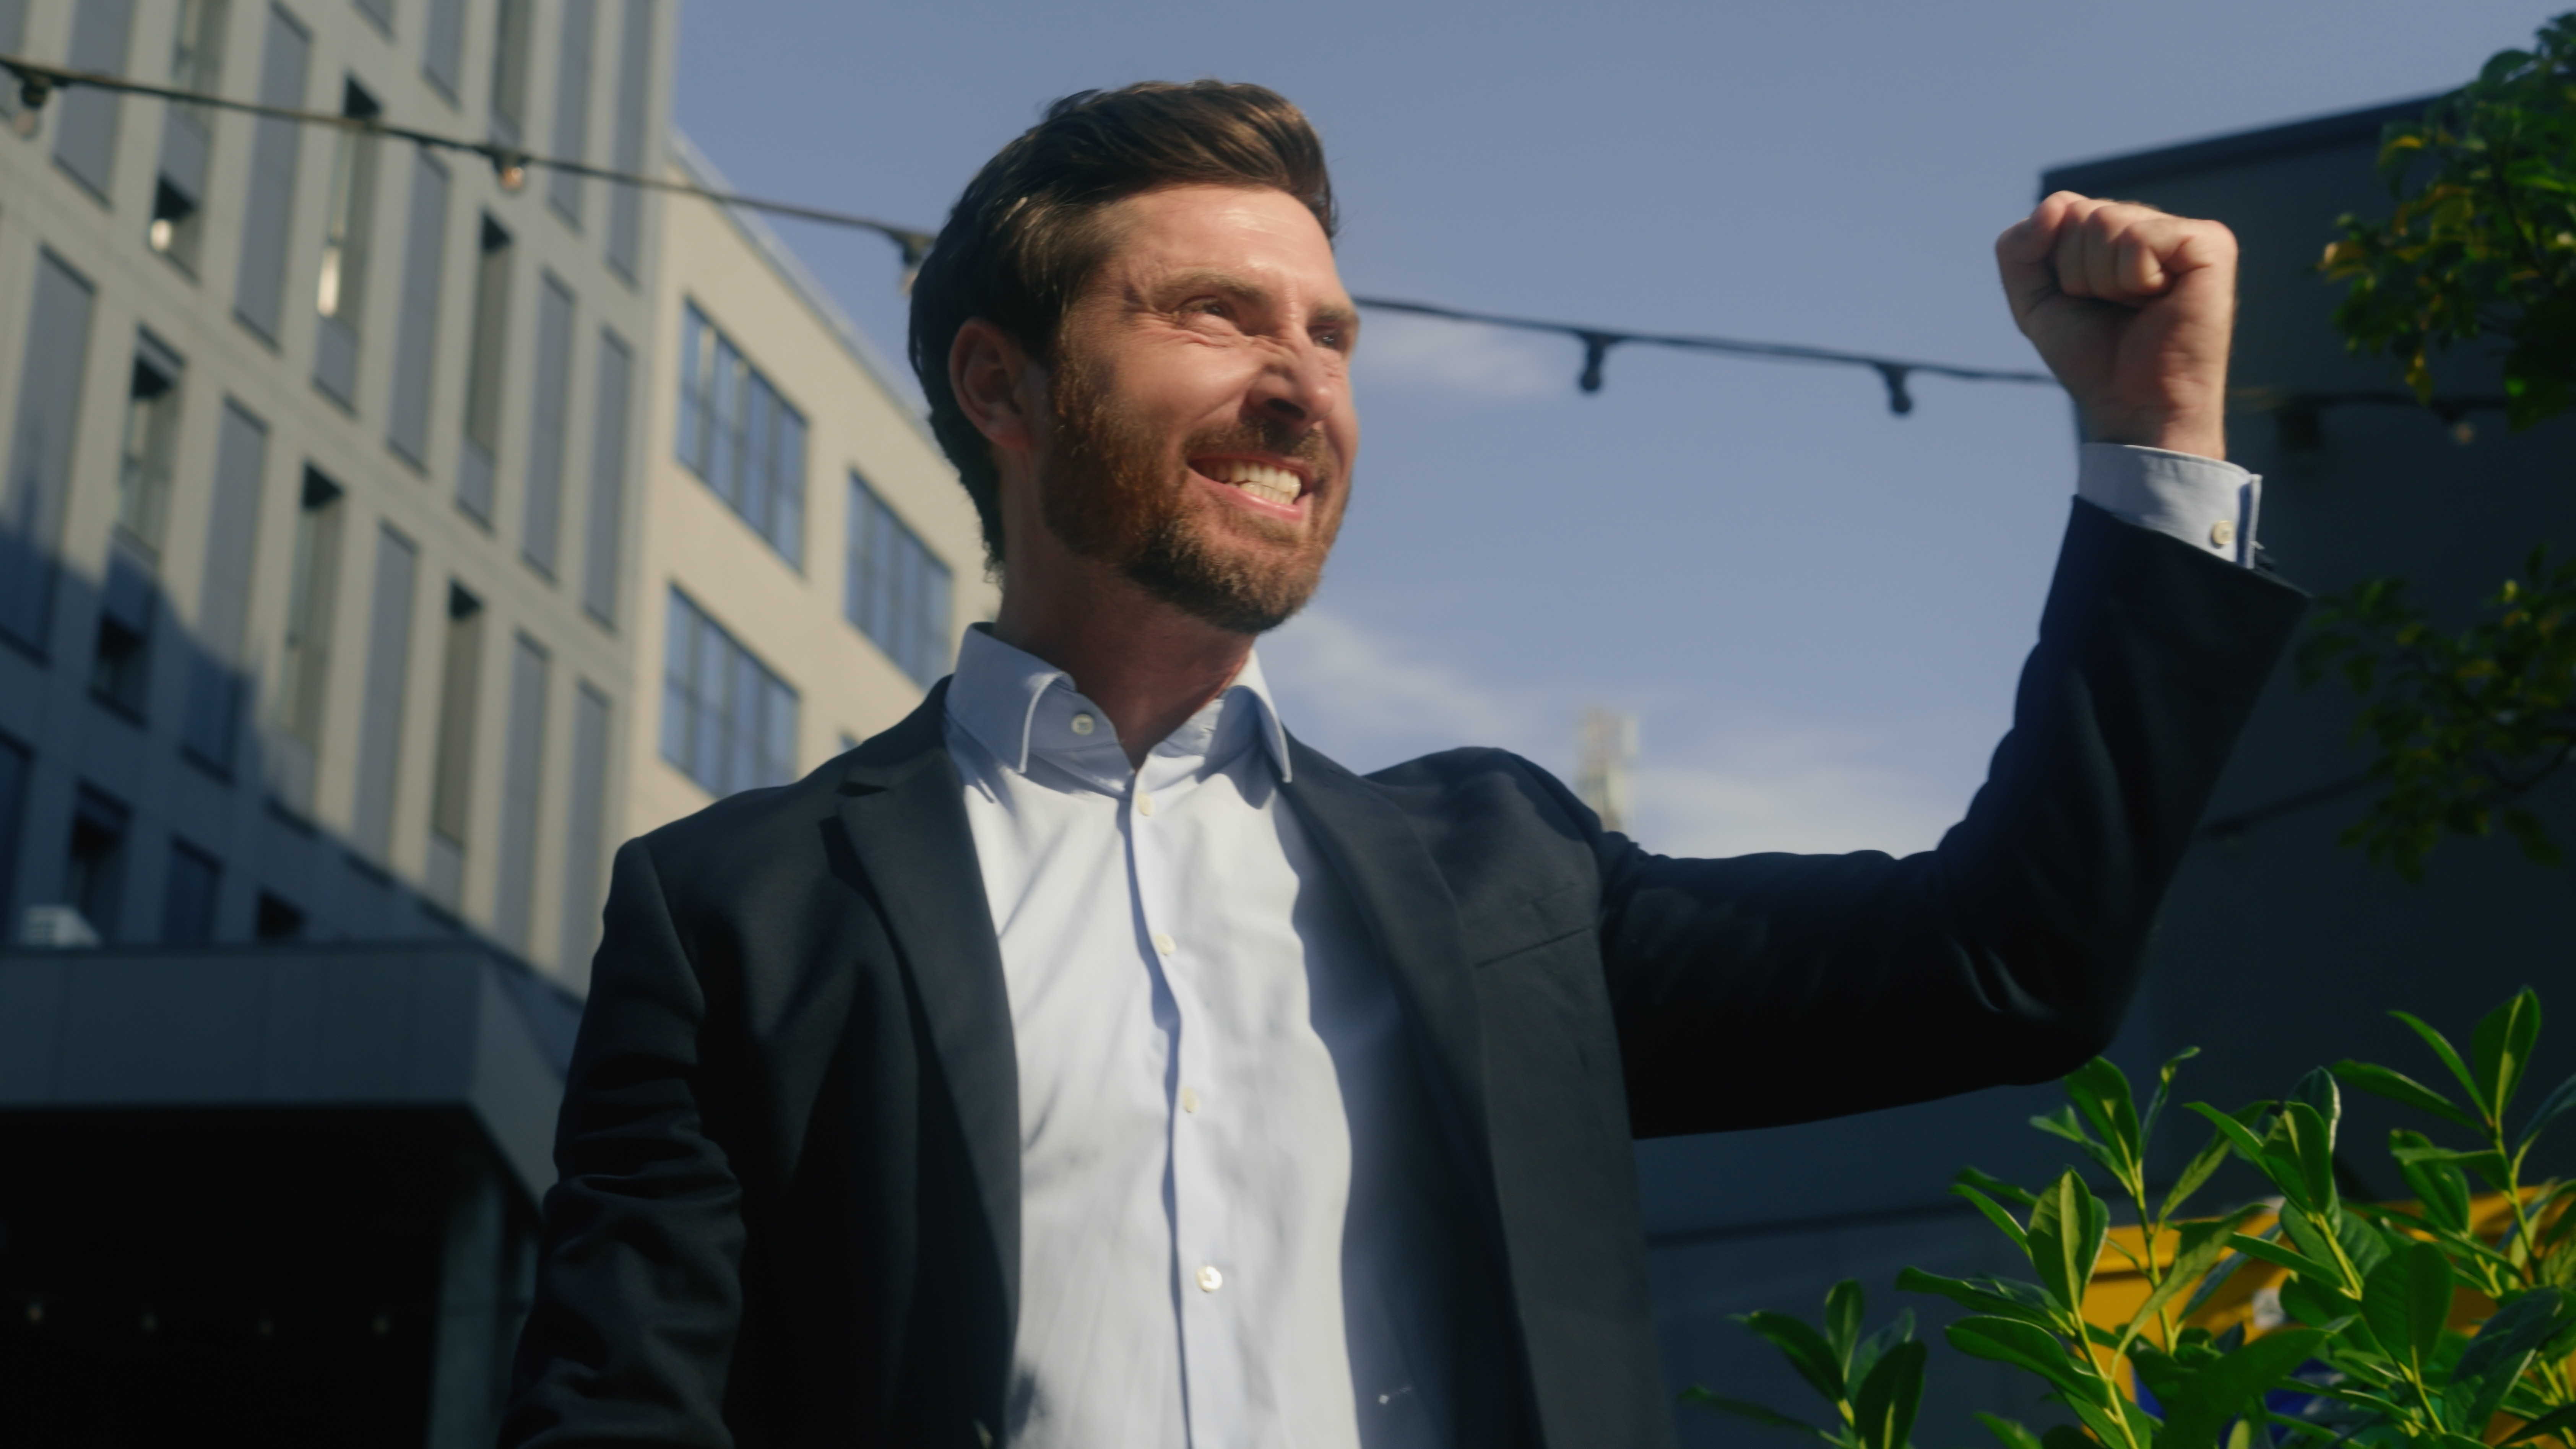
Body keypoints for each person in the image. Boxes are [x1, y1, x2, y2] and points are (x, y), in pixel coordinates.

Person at [503, 81, 2304, 1449]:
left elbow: (2010, 966)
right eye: (1217, 315)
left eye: (1333, 336)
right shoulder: (734, 910)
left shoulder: (1502, 874)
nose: (1305, 386)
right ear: (1003, 385)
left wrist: (2150, 448)